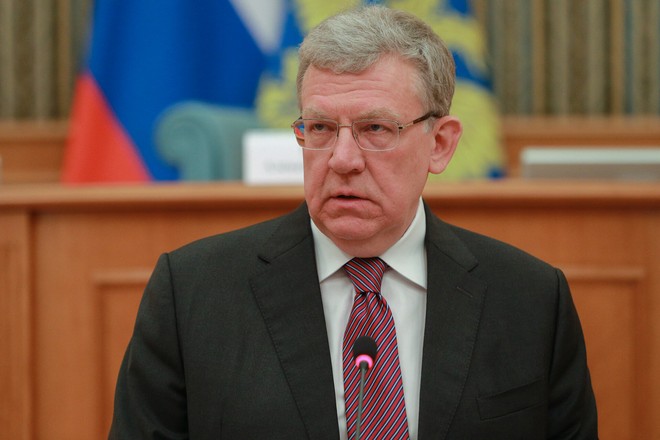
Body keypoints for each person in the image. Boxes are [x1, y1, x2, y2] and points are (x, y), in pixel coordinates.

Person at [109, 5, 597, 439]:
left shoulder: (531, 300)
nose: (342, 159)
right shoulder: (192, 294)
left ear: (440, 144)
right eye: (320, 128)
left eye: (375, 128)